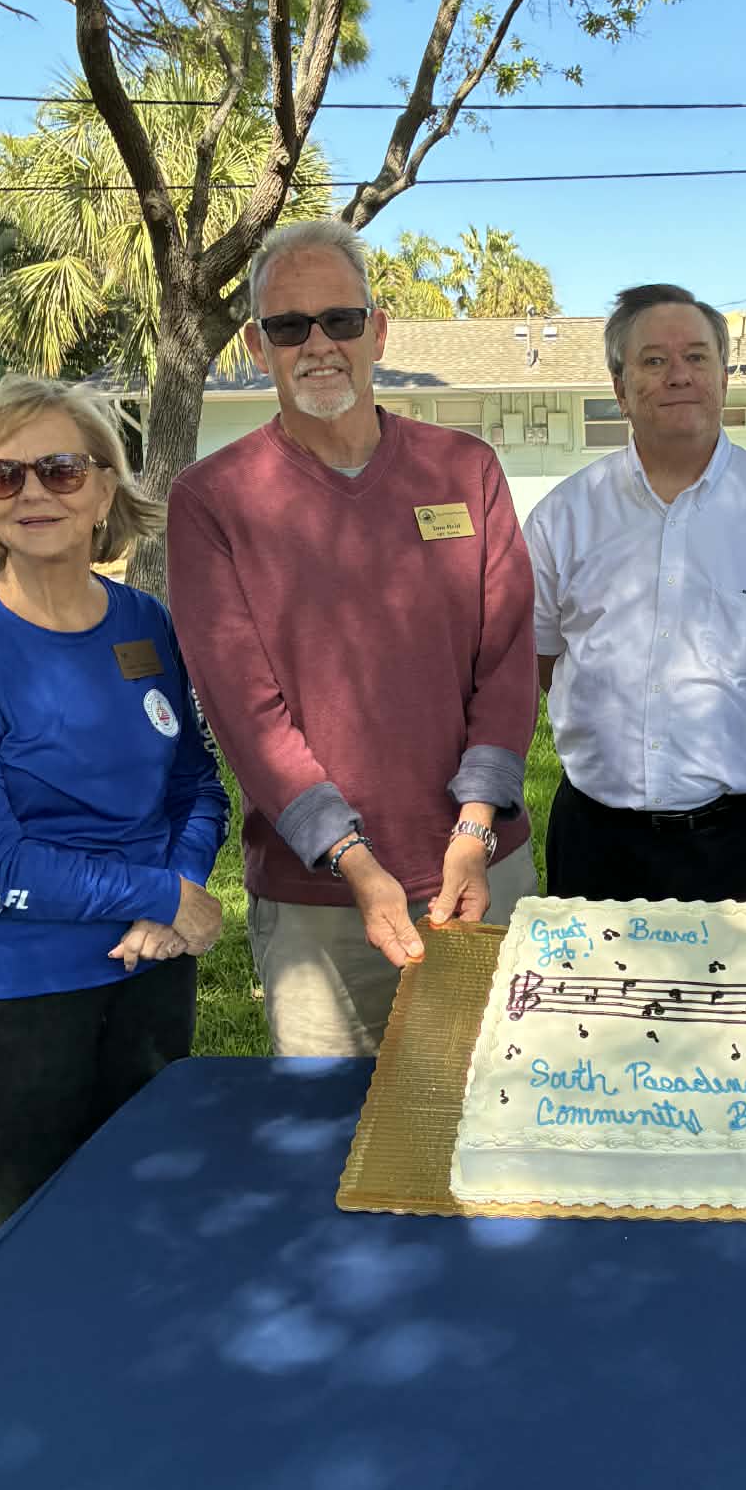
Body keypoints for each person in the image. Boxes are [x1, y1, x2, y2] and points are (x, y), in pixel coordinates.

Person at [0, 374, 227, 1490]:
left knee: (131, 1216)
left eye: (60, 468)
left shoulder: (144, 621)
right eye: (2, 473)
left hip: (144, 975)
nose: (31, 492)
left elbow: (197, 777)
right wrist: (149, 887)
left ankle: (111, 1438)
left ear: (107, 485)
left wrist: (181, 885)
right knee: (8, 1243)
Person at [166, 219, 537, 1057]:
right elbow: (245, 711)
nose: (318, 345)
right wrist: (356, 861)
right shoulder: (213, 500)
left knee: (503, 1115)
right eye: (289, 327)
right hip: (320, 903)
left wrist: (475, 830)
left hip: (482, 870)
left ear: (377, 330)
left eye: (338, 319)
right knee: (333, 1152)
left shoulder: (464, 470)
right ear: (259, 348)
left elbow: (508, 662)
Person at [525, 283, 746, 900]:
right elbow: (541, 660)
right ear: (620, 389)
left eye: (697, 357)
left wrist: (735, 731)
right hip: (597, 841)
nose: (679, 375)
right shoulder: (560, 519)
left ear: (724, 378)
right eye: (653, 360)